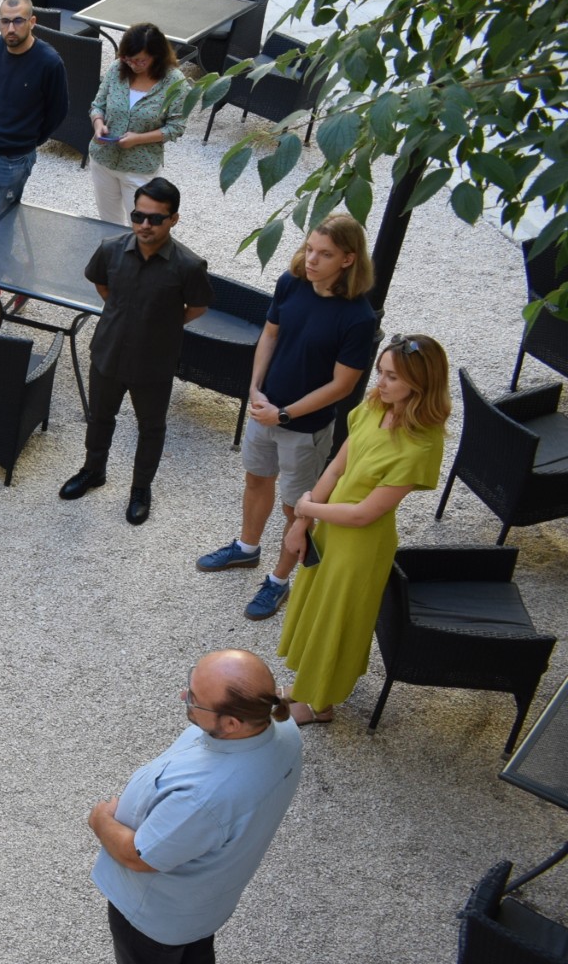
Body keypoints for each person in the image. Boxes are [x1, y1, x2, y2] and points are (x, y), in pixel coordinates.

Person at [61, 649, 302, 964]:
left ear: (232, 723)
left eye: (193, 698)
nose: (182, 698)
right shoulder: (283, 729)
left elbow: (139, 855)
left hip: (156, 909)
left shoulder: (206, 797)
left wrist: (100, 820)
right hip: (204, 900)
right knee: (193, 962)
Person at [196, 216, 379, 621]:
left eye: (324, 254)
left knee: (297, 509)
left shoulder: (358, 318)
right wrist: (254, 387)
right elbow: (270, 334)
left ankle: (279, 581)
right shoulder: (291, 283)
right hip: (266, 410)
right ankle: (247, 548)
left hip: (304, 427)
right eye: (309, 248)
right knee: (256, 480)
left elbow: (342, 385)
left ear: (348, 260)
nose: (310, 259)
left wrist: (284, 414)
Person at [277, 334, 450, 725]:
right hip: (330, 527)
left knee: (336, 620)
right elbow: (337, 467)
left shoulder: (422, 445)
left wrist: (306, 507)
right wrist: (303, 523)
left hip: (360, 546)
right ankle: (306, 686)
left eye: (392, 377)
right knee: (316, 609)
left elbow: (363, 514)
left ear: (421, 382)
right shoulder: (375, 406)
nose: (380, 383)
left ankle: (320, 703)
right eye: (381, 372)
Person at [59, 178, 212, 526]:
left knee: (150, 427)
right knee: (100, 417)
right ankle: (93, 470)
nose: (144, 225)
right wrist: (121, 312)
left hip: (154, 362)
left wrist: (163, 323)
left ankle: (141, 489)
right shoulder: (110, 249)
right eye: (138, 216)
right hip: (108, 351)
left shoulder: (189, 266)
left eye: (155, 218)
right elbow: (101, 283)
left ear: (173, 219)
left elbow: (198, 306)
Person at [0, 0, 68, 312]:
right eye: (4, 21)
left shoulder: (49, 62)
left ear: (32, 22)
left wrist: (28, 140)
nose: (10, 28)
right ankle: (19, 273)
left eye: (18, 21)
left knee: (0, 230)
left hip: (13, 160)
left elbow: (58, 111)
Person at [88, 23, 191, 226]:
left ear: (157, 55)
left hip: (139, 167)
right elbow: (97, 105)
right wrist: (98, 124)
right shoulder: (117, 68)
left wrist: (139, 139)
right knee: (108, 223)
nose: (133, 65)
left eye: (140, 60)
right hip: (103, 159)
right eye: (127, 59)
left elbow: (176, 127)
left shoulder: (175, 83)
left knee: (141, 225)